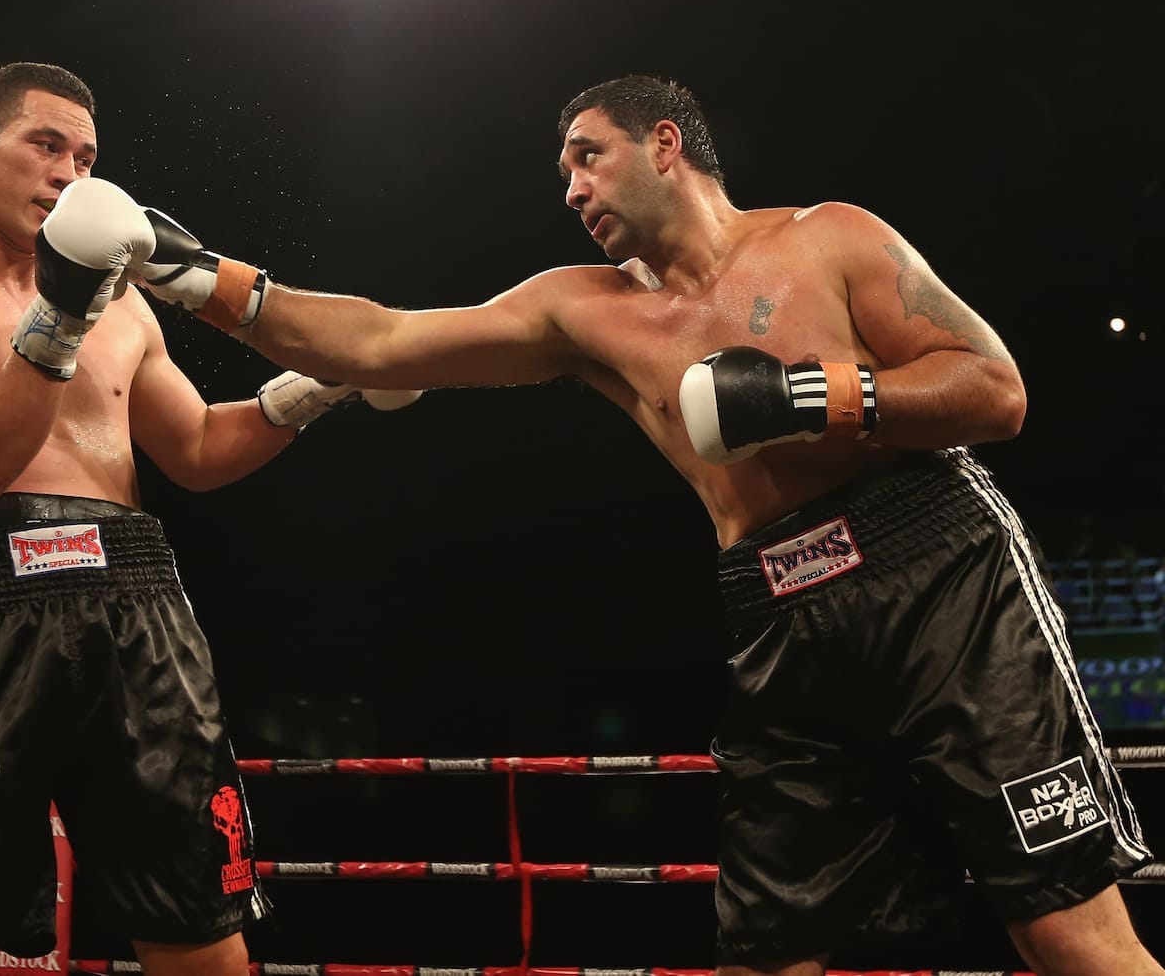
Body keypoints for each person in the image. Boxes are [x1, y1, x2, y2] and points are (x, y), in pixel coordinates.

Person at [123, 75, 1161, 975]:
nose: (570, 189)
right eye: (562, 171)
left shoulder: (830, 237)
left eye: (586, 156)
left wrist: (808, 396)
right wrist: (198, 277)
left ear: (665, 144)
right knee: (763, 953)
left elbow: (994, 390)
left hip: (941, 577)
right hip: (779, 612)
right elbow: (386, 340)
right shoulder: (583, 311)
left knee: (1065, 931)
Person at [0, 61, 417, 976]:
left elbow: (196, 449)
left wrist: (321, 385)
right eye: (46, 145)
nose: (70, 172)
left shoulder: (126, 308)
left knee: (199, 925)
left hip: (137, 604)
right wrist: (63, 309)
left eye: (86, 155)